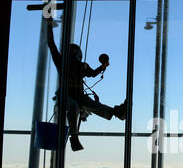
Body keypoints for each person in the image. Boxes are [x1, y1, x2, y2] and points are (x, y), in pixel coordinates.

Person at [46, 17, 126, 151]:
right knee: (76, 106)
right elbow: (93, 73)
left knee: (90, 105)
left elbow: (51, 43)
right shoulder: (81, 66)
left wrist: (49, 25)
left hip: (71, 96)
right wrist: (103, 66)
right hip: (70, 96)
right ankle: (74, 137)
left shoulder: (63, 62)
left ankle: (116, 113)